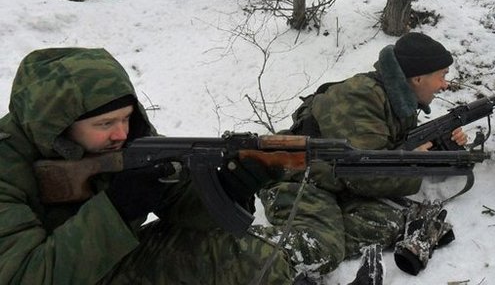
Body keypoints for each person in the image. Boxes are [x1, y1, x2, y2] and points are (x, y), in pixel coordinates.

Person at [0, 47, 299, 284]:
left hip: (107, 265)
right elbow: (22, 276)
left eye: (126, 117)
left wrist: (230, 187)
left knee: (245, 257)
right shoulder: (6, 165)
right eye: (104, 123)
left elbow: (179, 202)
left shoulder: (130, 141)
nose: (121, 133)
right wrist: (116, 210)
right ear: (58, 125)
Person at [255, 32, 468, 281]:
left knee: (390, 222)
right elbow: (366, 176)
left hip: (336, 181)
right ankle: (231, 247)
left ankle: (321, 235)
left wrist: (443, 145)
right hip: (298, 179)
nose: (445, 84)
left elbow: (389, 148)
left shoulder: (398, 99)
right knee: (322, 248)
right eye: (442, 76)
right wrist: (415, 162)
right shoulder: (360, 97)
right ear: (418, 78)